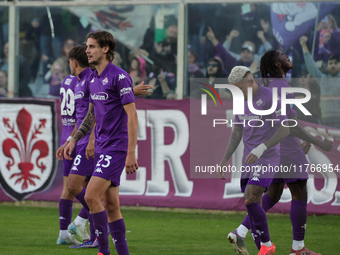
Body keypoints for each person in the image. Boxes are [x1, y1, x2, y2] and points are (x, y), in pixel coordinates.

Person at [227, 50, 333, 255]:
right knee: (299, 191)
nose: (288, 57)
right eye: (283, 56)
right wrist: (316, 141)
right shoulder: (283, 87)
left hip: (270, 148)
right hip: (283, 146)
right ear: (277, 65)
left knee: (273, 194)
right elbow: (289, 124)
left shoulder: (264, 86)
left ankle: (241, 231)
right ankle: (298, 248)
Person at [64, 31, 139, 255]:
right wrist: (74, 139)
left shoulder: (119, 77)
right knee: (112, 206)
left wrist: (131, 152)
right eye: (87, 46)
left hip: (116, 148)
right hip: (102, 148)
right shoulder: (93, 79)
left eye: (92, 46)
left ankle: (103, 251)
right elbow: (91, 116)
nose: (87, 50)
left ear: (105, 49)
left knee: (90, 196)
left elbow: (132, 116)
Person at [218, 66, 290, 255]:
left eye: (239, 88)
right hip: (248, 160)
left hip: (267, 157)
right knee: (254, 206)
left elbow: (284, 129)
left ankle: (267, 244)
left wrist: (262, 148)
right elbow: (237, 132)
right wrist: (225, 158)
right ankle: (252, 242)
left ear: (250, 82)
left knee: (250, 199)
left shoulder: (271, 98)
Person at [55, 54, 88, 246]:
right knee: (98, 187)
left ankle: (64, 234)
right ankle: (79, 223)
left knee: (68, 188)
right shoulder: (85, 81)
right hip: (79, 139)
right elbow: (85, 114)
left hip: (66, 136)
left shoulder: (66, 80)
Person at [300, 35, 340, 128]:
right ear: (327, 67)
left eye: (336, 63)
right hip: (325, 120)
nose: (333, 65)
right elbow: (311, 67)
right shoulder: (322, 79)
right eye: (330, 63)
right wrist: (303, 45)